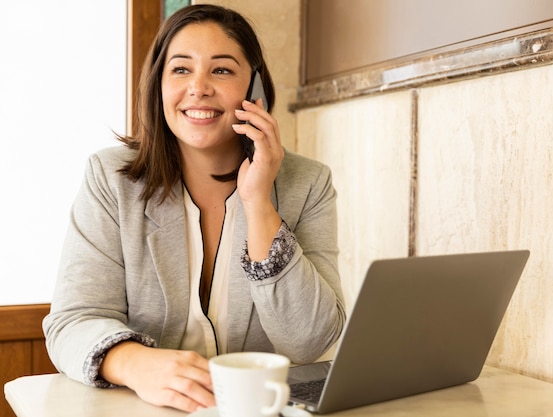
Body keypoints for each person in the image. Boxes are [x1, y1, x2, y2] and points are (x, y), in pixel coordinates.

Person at [43, 4, 346, 413]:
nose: (199, 87)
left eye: (221, 70)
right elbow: (72, 322)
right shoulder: (110, 178)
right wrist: (137, 364)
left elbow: (309, 342)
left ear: (254, 88)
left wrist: (258, 202)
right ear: (159, 85)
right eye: (181, 70)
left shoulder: (308, 184)